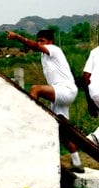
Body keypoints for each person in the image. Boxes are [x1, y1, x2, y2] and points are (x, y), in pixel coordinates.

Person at [6, 29, 83, 172]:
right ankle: (77, 162)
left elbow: (34, 46)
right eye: (39, 40)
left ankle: (29, 120)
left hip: (66, 89)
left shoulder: (54, 49)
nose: (40, 43)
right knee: (62, 128)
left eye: (42, 41)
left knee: (36, 89)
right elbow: (34, 47)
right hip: (60, 93)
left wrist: (17, 37)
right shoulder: (44, 56)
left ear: (50, 42)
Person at [82, 46, 99, 145]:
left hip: (94, 91)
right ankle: (95, 137)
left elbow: (85, 76)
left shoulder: (95, 51)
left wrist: (90, 102)